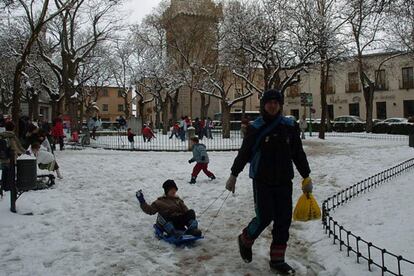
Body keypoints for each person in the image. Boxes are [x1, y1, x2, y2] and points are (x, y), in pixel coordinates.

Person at [225, 89, 313, 275]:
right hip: (262, 180)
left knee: (283, 220)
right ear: (264, 105)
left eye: (276, 102)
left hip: (283, 180)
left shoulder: (289, 126)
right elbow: (245, 153)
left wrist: (306, 176)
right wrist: (234, 174)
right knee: (265, 216)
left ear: (280, 105)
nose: (272, 105)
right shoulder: (255, 127)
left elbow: (297, 153)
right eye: (269, 102)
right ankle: (246, 238)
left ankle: (277, 260)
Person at [135, 180, 202, 237]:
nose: (173, 191)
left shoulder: (178, 201)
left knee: (191, 212)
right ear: (167, 191)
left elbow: (186, 211)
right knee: (163, 214)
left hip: (178, 220)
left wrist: (188, 216)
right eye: (171, 190)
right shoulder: (159, 202)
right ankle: (173, 232)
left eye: (175, 189)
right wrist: (142, 201)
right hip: (168, 222)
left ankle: (192, 230)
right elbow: (150, 210)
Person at [0, 121, 25, 195]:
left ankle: (3, 187)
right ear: (13, 128)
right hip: (10, 159)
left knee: (4, 172)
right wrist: (25, 152)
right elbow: (17, 147)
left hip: (2, 158)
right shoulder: (12, 136)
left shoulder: (1, 135)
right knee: (10, 173)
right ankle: (9, 188)